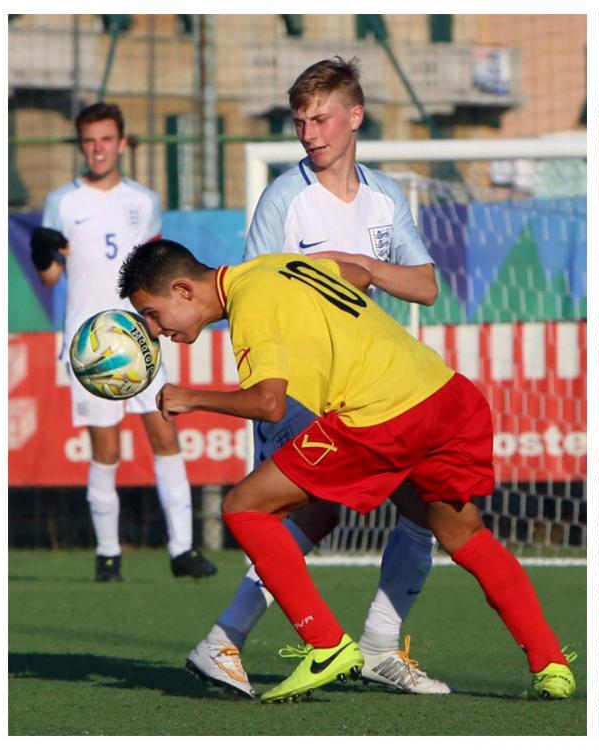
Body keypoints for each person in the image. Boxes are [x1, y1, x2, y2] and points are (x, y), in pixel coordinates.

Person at [118, 240, 575, 703]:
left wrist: (191, 398)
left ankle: (326, 645)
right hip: (447, 395)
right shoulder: (275, 267)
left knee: (245, 507)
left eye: (153, 314)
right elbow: (355, 275)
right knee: (463, 532)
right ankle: (551, 662)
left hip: (382, 415)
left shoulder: (249, 303)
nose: (156, 331)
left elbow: (269, 404)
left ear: (183, 289)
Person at [188, 57, 449, 698]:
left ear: (354, 116)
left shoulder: (387, 195)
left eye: (321, 117)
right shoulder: (284, 199)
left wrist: (362, 265)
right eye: (300, 120)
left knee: (424, 504)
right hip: (301, 393)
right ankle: (226, 640)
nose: (309, 132)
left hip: (370, 391)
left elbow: (426, 285)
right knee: (304, 513)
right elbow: (252, 294)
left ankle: (379, 648)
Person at [31, 102, 215, 584]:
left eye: (106, 139)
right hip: (91, 347)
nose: (98, 149)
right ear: (81, 145)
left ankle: (183, 549)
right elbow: (51, 277)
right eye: (90, 141)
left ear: (122, 143)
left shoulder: (144, 200)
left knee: (165, 435)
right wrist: (40, 252)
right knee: (105, 448)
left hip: (140, 339)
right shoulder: (63, 202)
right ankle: (108, 555)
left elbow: (154, 273)